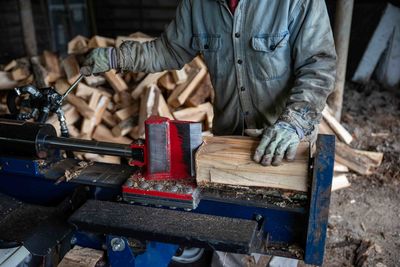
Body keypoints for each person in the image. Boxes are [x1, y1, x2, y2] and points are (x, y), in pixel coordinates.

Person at [81, 0, 336, 265]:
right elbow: (170, 50)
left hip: (284, 144)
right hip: (230, 143)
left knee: (277, 241)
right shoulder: (197, 4)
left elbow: (319, 65)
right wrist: (117, 57)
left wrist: (293, 122)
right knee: (229, 237)